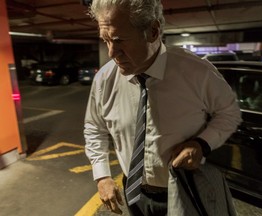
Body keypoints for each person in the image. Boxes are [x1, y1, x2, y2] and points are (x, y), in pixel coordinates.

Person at [84, 0, 242, 215]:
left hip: (185, 190)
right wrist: (102, 175)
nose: (112, 52)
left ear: (153, 31)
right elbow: (95, 127)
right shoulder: (104, 79)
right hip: (134, 192)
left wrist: (202, 144)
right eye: (106, 40)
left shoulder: (197, 72)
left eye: (120, 40)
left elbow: (229, 112)